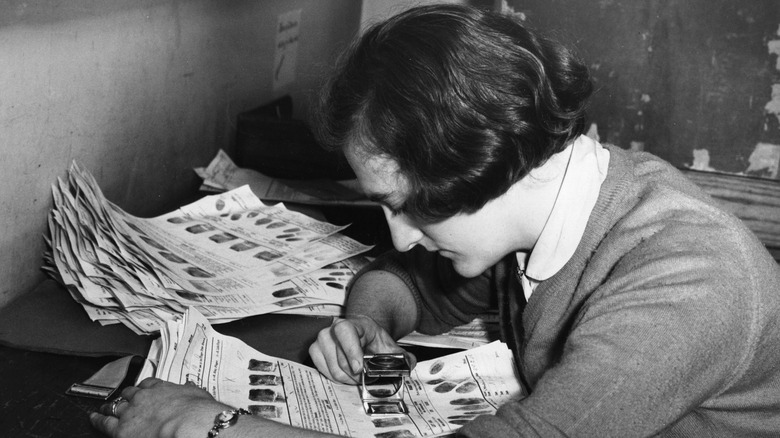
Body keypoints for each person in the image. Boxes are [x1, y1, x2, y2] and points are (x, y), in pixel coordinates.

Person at [89, 4, 780, 438]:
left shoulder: (690, 280)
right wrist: (371, 322)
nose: (399, 233)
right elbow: (406, 282)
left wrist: (208, 423)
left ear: (479, 163)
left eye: (405, 204)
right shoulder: (544, 206)